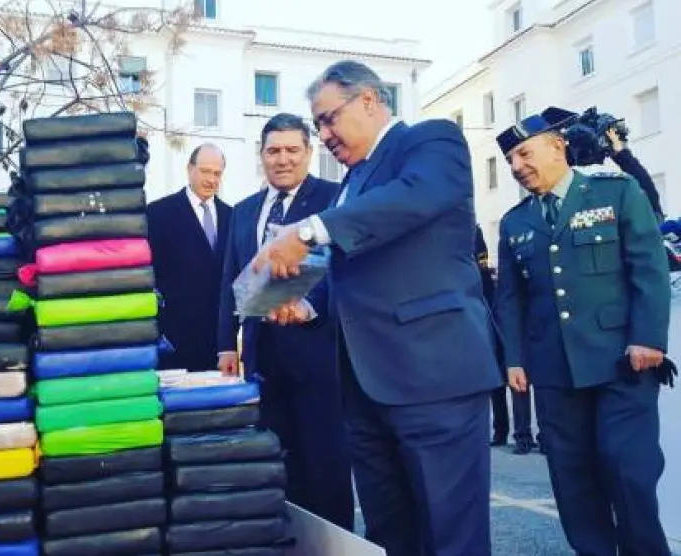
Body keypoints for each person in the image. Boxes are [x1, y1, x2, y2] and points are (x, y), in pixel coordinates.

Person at [254, 60, 500, 556]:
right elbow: (348, 271)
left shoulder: (430, 141)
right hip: (365, 387)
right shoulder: (353, 180)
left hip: (433, 378)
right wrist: (305, 307)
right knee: (390, 533)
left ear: (368, 100)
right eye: (319, 125)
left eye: (329, 119)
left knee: (450, 534)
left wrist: (308, 231)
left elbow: (413, 197)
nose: (325, 135)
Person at [494, 107, 672, 556]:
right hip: (554, 369)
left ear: (557, 147)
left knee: (628, 471)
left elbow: (648, 268)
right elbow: (510, 299)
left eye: (523, 154)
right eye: (510, 160)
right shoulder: (515, 222)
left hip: (622, 362)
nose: (516, 166)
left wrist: (649, 338)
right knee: (572, 478)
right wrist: (514, 358)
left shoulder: (616, 192)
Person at [216, 114, 355, 530]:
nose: (283, 159)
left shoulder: (335, 198)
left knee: (325, 468)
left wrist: (310, 307)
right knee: (275, 467)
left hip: (319, 357)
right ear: (261, 155)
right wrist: (225, 344)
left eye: (292, 150)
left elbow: (344, 271)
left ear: (309, 153)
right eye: (274, 150)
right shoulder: (243, 210)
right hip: (262, 360)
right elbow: (230, 279)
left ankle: (333, 547)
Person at [146, 143, 233, 371]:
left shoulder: (232, 216)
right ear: (189, 169)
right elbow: (147, 277)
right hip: (174, 341)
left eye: (217, 173)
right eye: (205, 171)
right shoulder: (158, 213)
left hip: (219, 343)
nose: (211, 179)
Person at [477, 225, 539, 453]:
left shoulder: (476, 235)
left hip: (509, 321)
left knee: (519, 378)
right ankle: (501, 432)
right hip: (486, 314)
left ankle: (525, 436)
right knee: (496, 379)